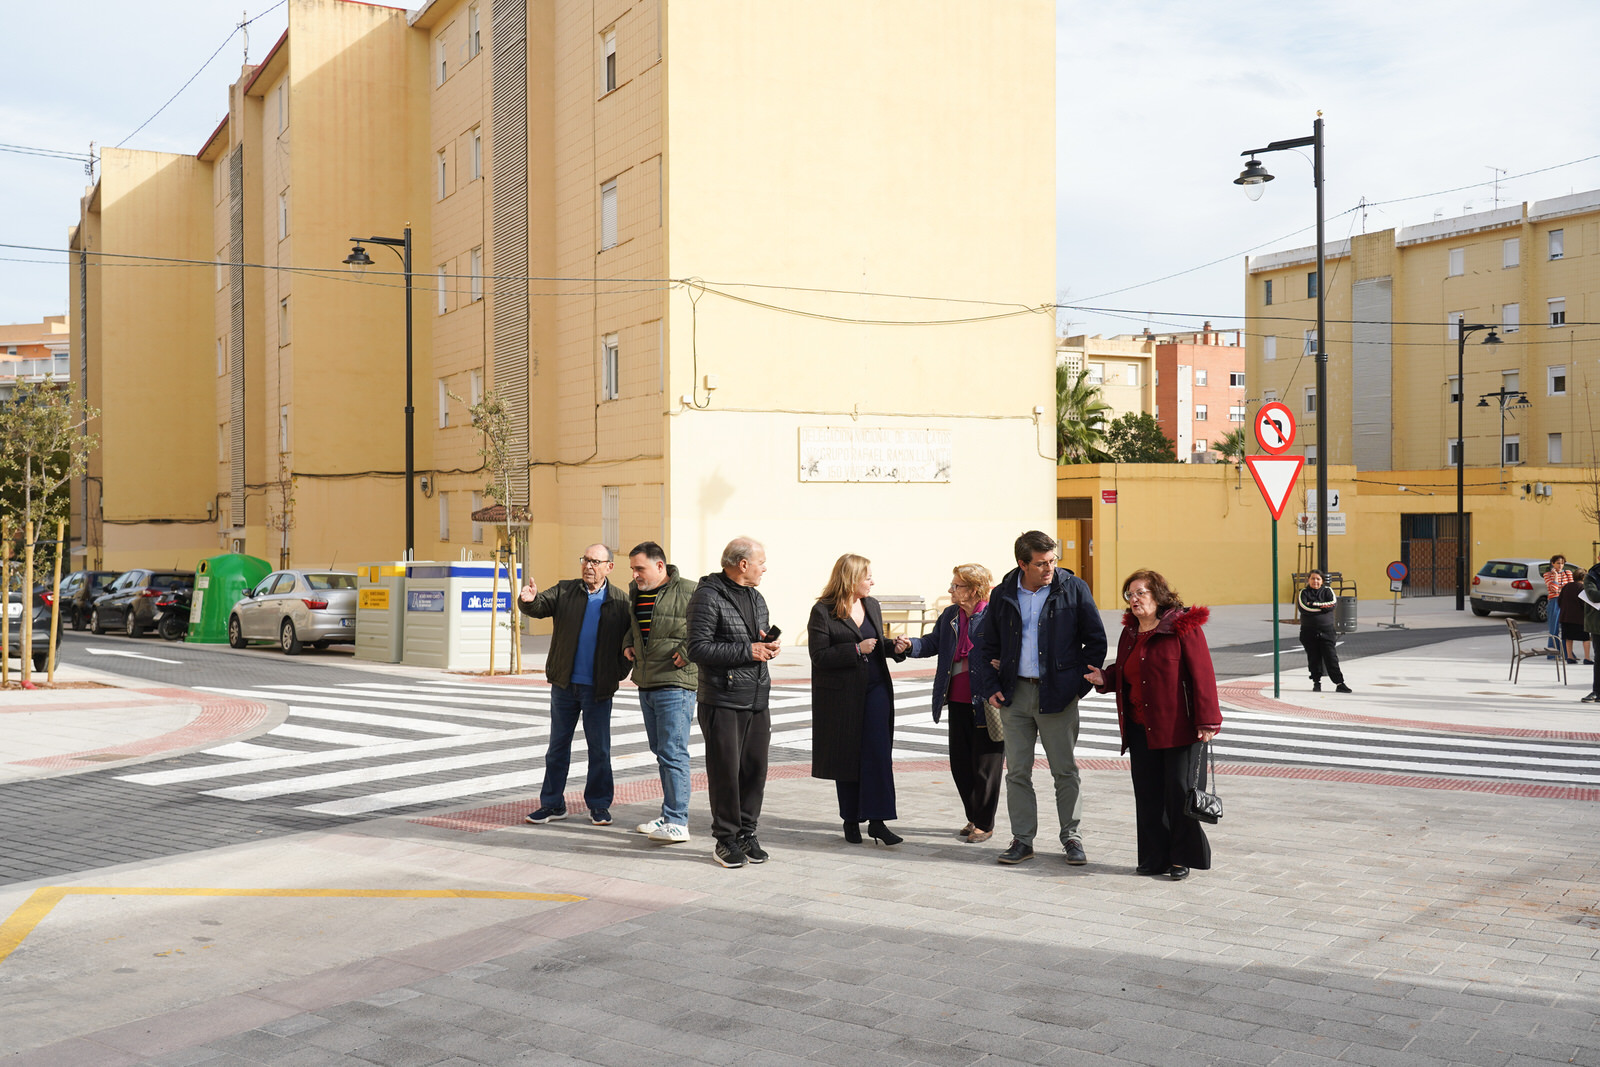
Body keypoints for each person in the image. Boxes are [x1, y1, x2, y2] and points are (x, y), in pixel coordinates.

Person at [972, 530, 1107, 867]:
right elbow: (986, 646)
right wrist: (992, 686)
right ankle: (1022, 839)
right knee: (1017, 772)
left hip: (1058, 696)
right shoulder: (1004, 593)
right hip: (1015, 696)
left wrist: (1076, 687)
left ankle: (1071, 836)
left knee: (1064, 770)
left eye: (1053, 561)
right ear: (1022, 563)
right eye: (1041, 563)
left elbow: (1096, 641)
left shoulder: (1072, 588)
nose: (1049, 568)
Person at [1085, 569, 1222, 881]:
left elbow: (1202, 675)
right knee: (1148, 796)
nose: (1133, 599)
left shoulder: (1182, 628)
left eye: (1140, 593)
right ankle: (1153, 858)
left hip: (1177, 727)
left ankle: (1181, 858)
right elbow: (1126, 671)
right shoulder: (1130, 633)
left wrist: (1208, 720)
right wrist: (1104, 678)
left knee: (1179, 793)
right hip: (1139, 727)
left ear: (1158, 595)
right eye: (1129, 594)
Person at [517, 543, 632, 827]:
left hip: (598, 689)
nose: (588, 566)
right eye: (585, 560)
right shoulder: (565, 590)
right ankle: (552, 804)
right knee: (557, 747)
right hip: (565, 686)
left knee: (599, 749)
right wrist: (528, 601)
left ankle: (599, 805)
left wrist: (617, 672)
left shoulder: (620, 602)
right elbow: (540, 606)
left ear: (609, 567)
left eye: (595, 561)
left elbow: (628, 644)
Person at [687, 537, 781, 869]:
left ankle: (746, 833)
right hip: (722, 699)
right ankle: (725, 839)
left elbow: (756, 637)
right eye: (761, 561)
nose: (764, 567)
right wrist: (748, 651)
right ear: (742, 564)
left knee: (755, 770)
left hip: (756, 697)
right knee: (726, 771)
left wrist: (766, 645)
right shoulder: (707, 596)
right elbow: (697, 649)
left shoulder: (756, 598)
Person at [808, 553, 904, 847]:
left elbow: (876, 645)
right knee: (848, 755)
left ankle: (878, 821)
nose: (872, 582)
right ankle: (851, 820)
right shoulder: (822, 611)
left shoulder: (871, 604)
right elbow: (819, 656)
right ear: (851, 579)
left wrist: (895, 647)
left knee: (877, 755)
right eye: (867, 577)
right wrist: (855, 649)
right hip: (842, 697)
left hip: (876, 690)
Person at [903, 564, 1003, 843]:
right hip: (956, 700)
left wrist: (1004, 663)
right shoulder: (950, 616)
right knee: (960, 764)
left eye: (956, 585)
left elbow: (1011, 646)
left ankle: (984, 822)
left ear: (973, 589)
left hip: (988, 700)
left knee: (986, 765)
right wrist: (909, 645)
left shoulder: (994, 615)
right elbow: (933, 643)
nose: (950, 589)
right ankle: (974, 815)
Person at [623, 541, 698, 844]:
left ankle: (678, 821)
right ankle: (669, 815)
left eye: (639, 568)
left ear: (659, 566)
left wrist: (687, 650)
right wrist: (628, 642)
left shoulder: (691, 591)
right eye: (633, 569)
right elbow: (635, 624)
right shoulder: (636, 591)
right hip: (646, 680)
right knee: (661, 751)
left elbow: (706, 628)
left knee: (673, 752)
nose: (635, 574)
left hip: (675, 683)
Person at [1297, 570, 1350, 693]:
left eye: (1318, 579)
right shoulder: (1303, 593)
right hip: (1308, 631)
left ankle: (1339, 683)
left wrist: (1313, 604)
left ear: (1322, 581)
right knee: (1313, 657)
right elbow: (1304, 608)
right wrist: (1322, 607)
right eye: (1313, 578)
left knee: (1331, 657)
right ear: (1308, 580)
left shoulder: (1328, 591)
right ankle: (1316, 682)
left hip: (1327, 631)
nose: (1315, 581)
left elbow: (1332, 604)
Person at [1544, 555, 1575, 657]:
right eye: (1558, 563)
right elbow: (1553, 589)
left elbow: (1570, 588)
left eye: (1562, 563)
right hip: (1554, 602)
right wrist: (1556, 576)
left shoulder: (1568, 573)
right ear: (1553, 563)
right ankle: (1552, 653)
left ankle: (1567, 653)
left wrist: (1559, 590)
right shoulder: (1547, 575)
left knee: (1566, 628)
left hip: (1566, 602)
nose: (1560, 565)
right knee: (1554, 629)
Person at [1560, 569, 1592, 666]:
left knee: (1568, 638)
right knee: (1585, 638)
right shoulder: (1583, 588)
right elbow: (1585, 603)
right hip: (1579, 618)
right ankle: (1587, 658)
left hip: (1565, 617)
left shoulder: (1566, 586)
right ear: (1584, 577)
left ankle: (1570, 657)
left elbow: (1559, 601)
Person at [1582, 560, 1600, 704]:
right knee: (1599, 658)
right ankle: (1597, 691)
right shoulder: (1592, 575)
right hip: (1598, 624)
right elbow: (1593, 595)